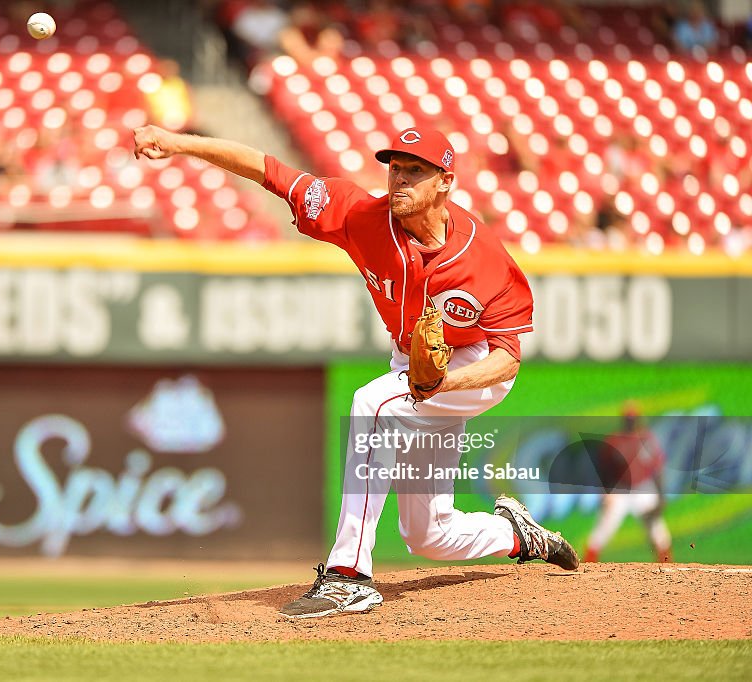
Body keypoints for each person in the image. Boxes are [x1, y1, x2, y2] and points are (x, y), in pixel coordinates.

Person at [133, 123, 580, 618]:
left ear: (446, 182)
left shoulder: (482, 256)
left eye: (416, 171)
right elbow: (269, 169)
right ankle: (517, 535)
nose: (400, 180)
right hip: (414, 363)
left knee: (373, 403)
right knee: (430, 534)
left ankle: (349, 576)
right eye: (395, 168)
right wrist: (179, 143)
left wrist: (443, 384)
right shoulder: (359, 214)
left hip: (473, 369)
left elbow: (507, 358)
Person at [584, 404, 672, 563]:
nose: (631, 422)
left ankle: (667, 566)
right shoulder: (614, 440)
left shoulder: (646, 439)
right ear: (623, 420)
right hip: (620, 491)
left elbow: (657, 470)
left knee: (658, 530)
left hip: (643, 488)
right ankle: (587, 564)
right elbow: (604, 470)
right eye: (628, 419)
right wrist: (605, 492)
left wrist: (661, 496)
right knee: (604, 528)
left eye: (633, 419)